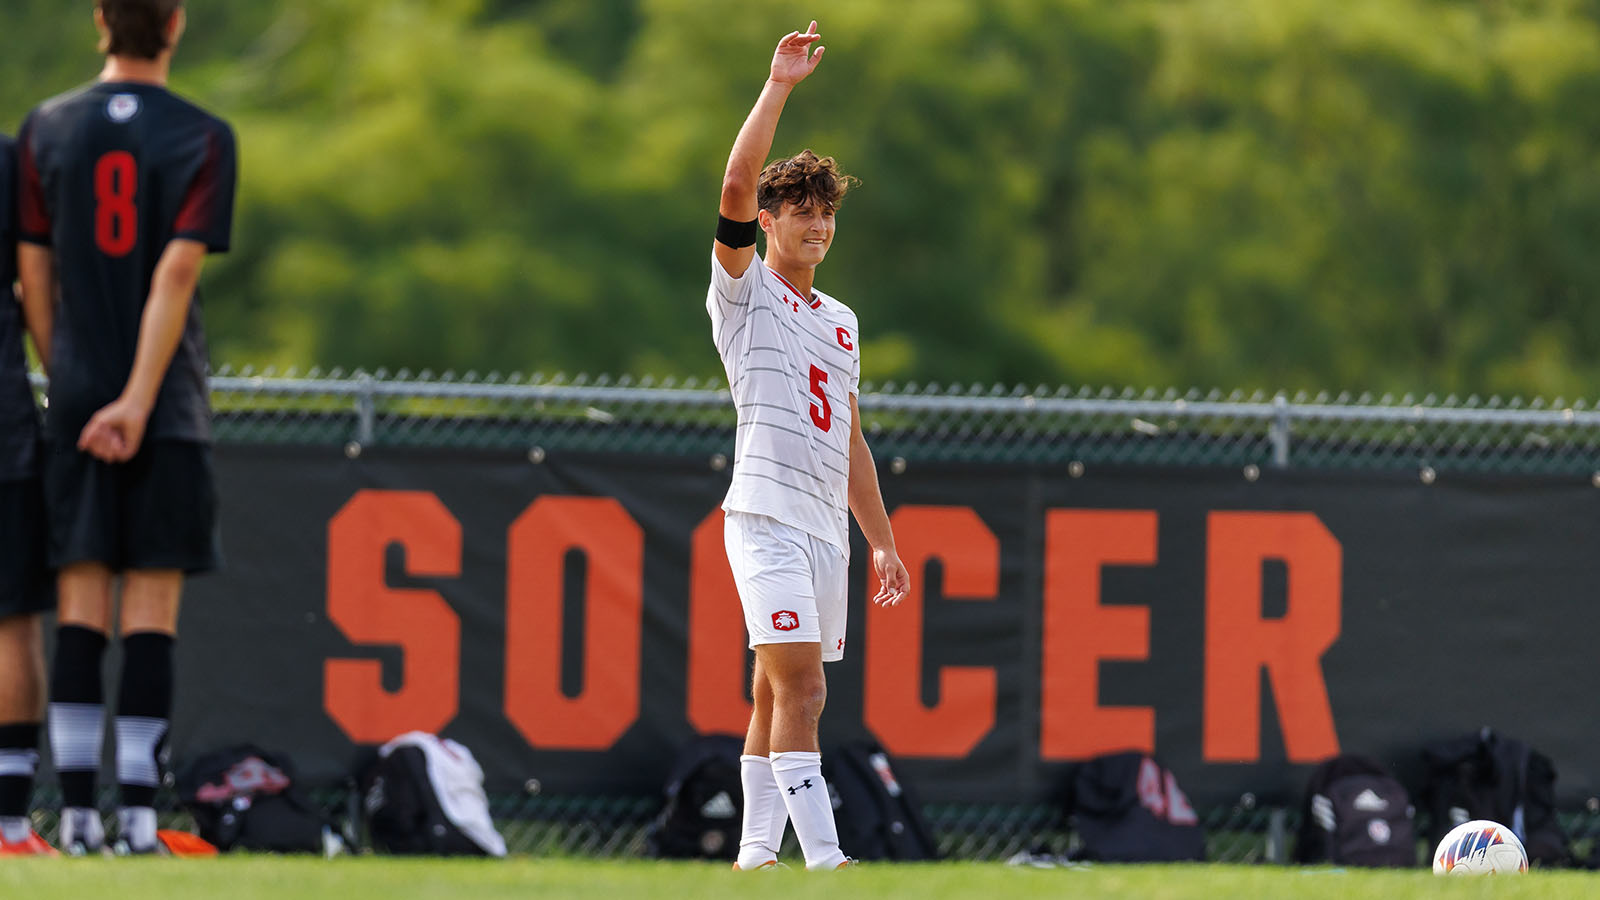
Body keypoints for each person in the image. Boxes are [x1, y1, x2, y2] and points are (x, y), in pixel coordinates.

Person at [15, 0, 237, 855]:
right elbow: (176, 273)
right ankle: (137, 815)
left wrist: (69, 376)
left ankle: (74, 817)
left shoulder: (47, 127)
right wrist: (140, 401)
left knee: (79, 607)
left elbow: (34, 269)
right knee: (150, 608)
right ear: (175, 24)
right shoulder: (204, 135)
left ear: (100, 21)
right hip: (166, 407)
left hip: (73, 402)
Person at [707, 21, 911, 871]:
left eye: (825, 210)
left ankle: (755, 857)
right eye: (797, 210)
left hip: (827, 526)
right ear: (768, 221)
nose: (816, 223)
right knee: (806, 689)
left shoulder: (840, 319)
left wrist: (883, 538)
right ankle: (827, 860)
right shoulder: (745, 291)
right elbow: (735, 178)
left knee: (770, 689)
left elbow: (852, 438)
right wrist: (780, 84)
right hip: (765, 514)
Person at [0, 134, 57, 857]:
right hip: (2, 417)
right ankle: (8, 825)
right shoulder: (11, 161)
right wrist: (68, 389)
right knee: (10, 621)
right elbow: (36, 279)